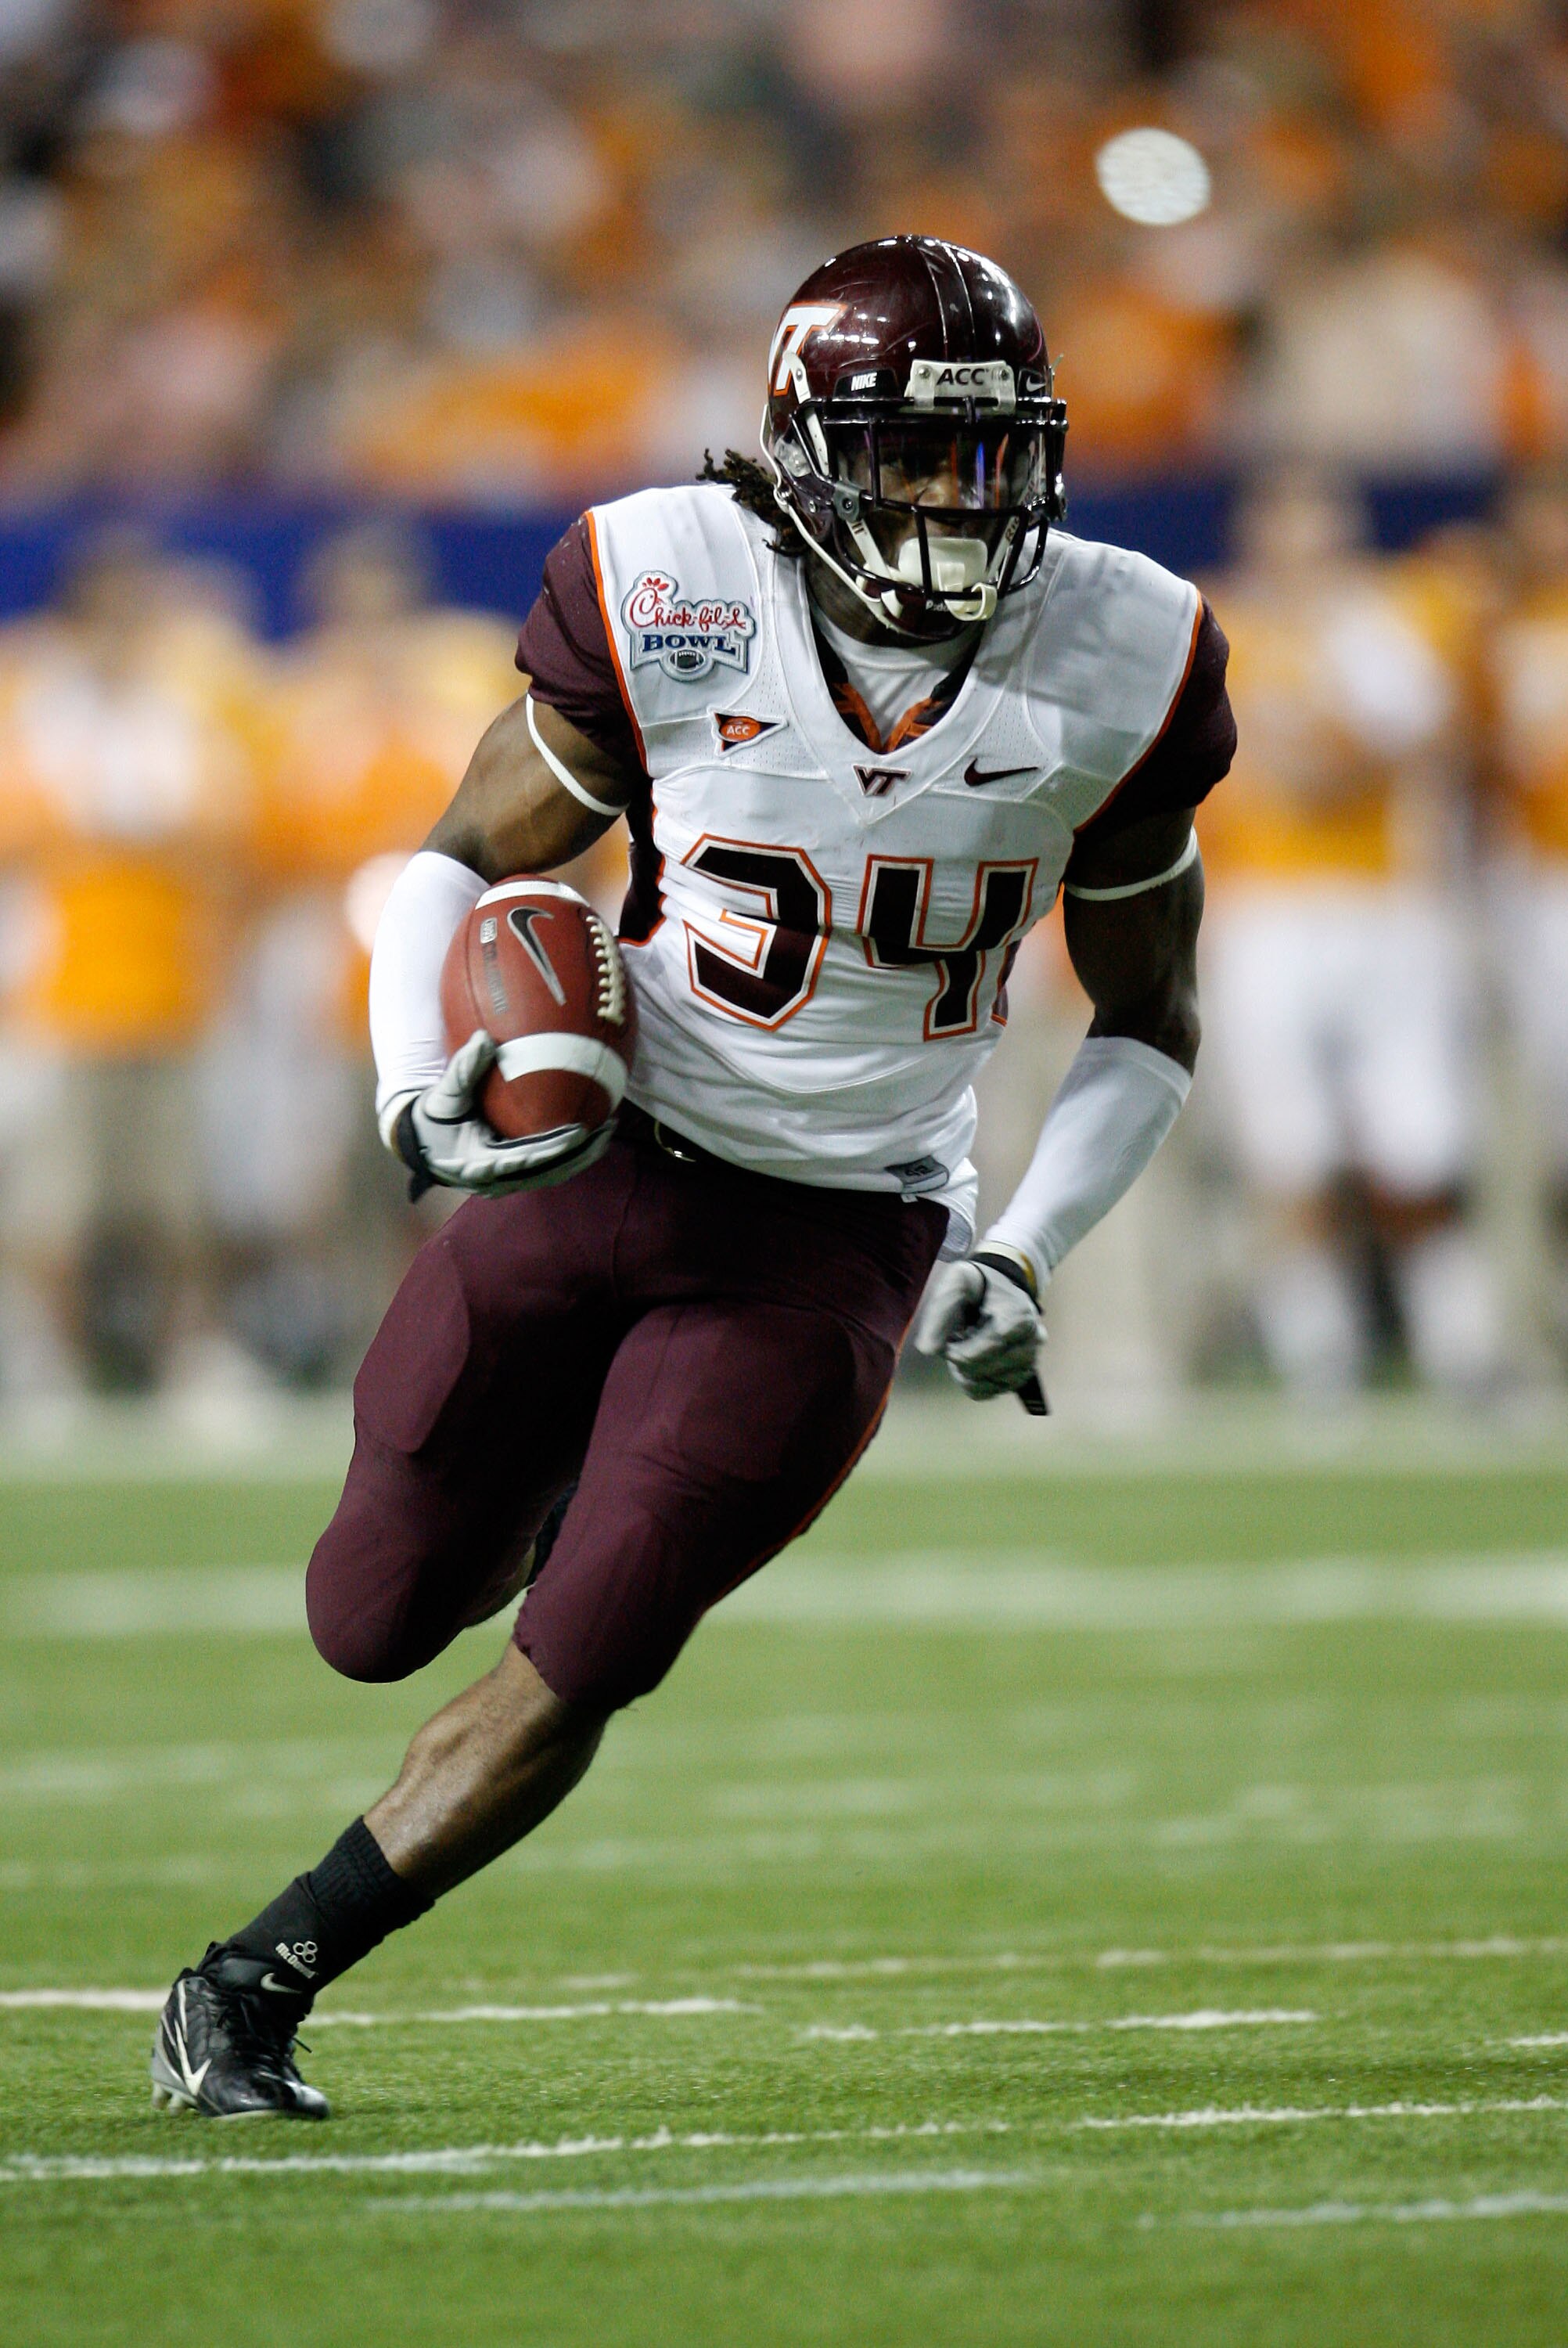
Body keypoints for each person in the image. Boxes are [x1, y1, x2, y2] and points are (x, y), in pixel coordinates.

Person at [149, 236, 1235, 2118]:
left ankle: (255, 1979)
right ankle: (578, 1448)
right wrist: (423, 1092)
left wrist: (1033, 1245)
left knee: (600, 1631)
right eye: (908, 460)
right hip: (605, 1144)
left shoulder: (1129, 650)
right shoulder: (670, 584)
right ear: (806, 453)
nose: (955, 509)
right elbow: (452, 853)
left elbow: (1149, 1013)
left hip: (837, 1225)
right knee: (371, 1609)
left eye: (990, 464)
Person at [1198, 474, 1501, 1397]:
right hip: (1263, 909)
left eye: (1322, 521)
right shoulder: (1212, 624)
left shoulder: (1395, 618)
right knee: (1286, 1148)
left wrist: (1323, 751)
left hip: (1385, 903)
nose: (1307, 543)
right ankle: (1318, 1359)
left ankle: (1463, 1347)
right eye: (1289, 520)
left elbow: (1421, 745)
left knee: (1419, 1142)